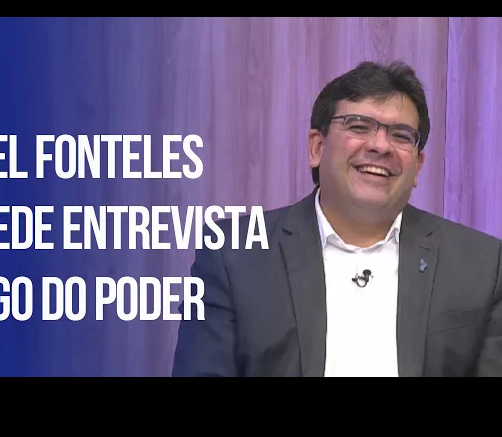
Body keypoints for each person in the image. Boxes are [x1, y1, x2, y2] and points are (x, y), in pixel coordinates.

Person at [172, 60, 502, 377]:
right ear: (317, 147)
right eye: (359, 126)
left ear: (417, 166)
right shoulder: (234, 254)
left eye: (401, 135)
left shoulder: (483, 264)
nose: (380, 146)